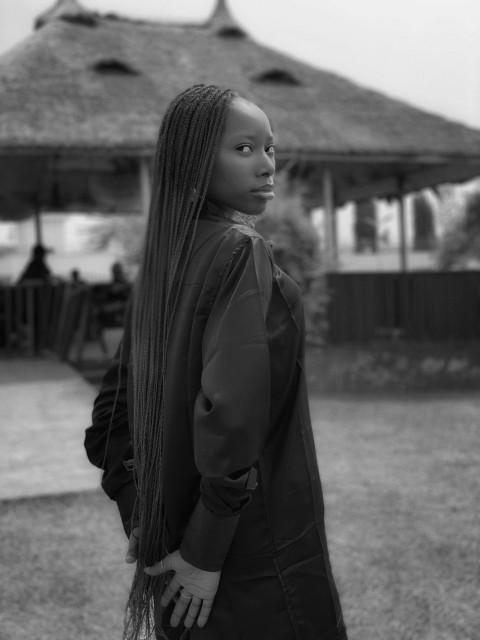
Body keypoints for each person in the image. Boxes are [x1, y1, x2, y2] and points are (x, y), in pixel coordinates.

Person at [84, 84, 347, 640]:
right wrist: (204, 552)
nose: (267, 164)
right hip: (250, 544)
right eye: (244, 148)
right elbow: (232, 414)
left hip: (178, 535)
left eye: (269, 148)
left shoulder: (166, 258)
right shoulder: (238, 249)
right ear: (195, 159)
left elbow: (109, 419)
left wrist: (149, 520)